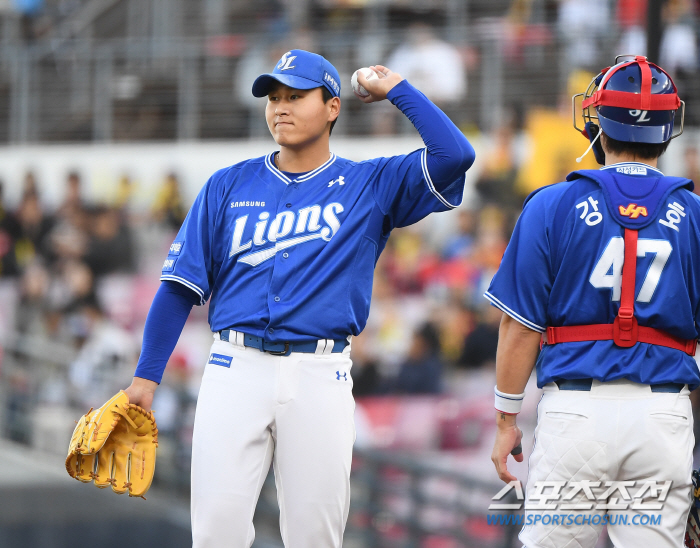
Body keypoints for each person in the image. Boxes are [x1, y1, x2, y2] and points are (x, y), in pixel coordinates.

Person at [122, 49, 475, 547]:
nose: (280, 107)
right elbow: (179, 287)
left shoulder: (368, 184)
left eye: (296, 95)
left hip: (319, 374)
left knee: (315, 537)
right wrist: (145, 377)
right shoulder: (227, 185)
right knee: (215, 533)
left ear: (333, 107)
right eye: (273, 97)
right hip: (234, 368)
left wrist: (396, 89)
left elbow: (454, 155)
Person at [486, 55, 698, 547]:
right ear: (669, 129)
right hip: (664, 415)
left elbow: (519, 328)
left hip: (576, 412)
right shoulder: (695, 212)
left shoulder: (551, 203)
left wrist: (505, 421)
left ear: (597, 123)